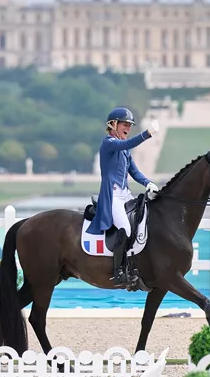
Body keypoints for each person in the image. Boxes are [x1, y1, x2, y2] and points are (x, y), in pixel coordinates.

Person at [86, 106, 160, 287]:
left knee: (142, 223)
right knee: (125, 229)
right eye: (124, 124)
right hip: (112, 196)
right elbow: (126, 144)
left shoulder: (126, 150)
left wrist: (148, 183)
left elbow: (134, 171)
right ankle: (119, 272)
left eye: (129, 125)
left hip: (125, 194)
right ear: (113, 125)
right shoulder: (109, 143)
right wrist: (147, 134)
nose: (128, 127)